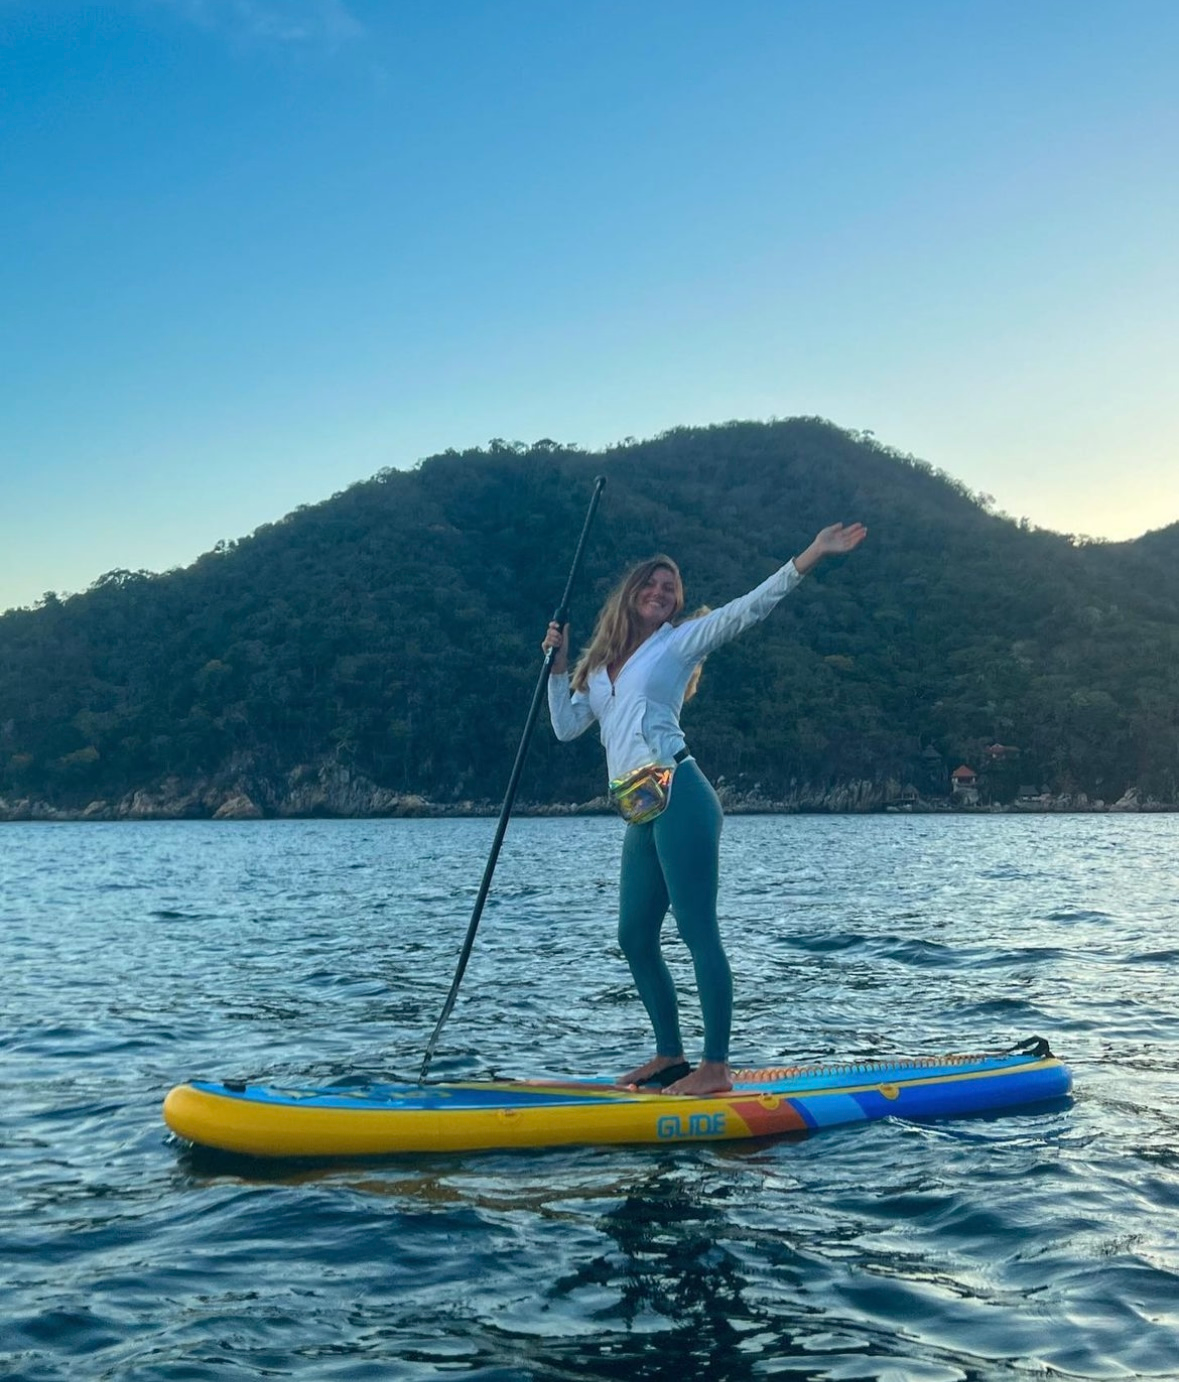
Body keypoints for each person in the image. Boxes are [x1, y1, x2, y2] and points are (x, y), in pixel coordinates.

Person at [542, 522, 867, 1096]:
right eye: (652, 584)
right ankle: (671, 1056)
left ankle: (715, 1066)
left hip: (679, 789)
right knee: (634, 938)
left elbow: (748, 609)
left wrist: (811, 553)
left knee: (697, 930)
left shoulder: (678, 641)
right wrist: (556, 664)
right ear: (630, 592)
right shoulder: (596, 669)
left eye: (671, 587)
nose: (662, 593)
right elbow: (567, 728)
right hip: (637, 801)